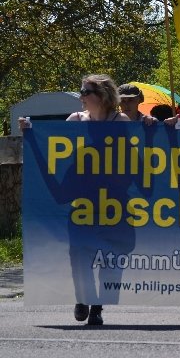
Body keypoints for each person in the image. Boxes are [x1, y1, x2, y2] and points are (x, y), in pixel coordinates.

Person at [20, 74, 132, 326]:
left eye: (85, 91)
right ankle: (83, 297)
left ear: (102, 96)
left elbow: (134, 156)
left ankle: (98, 307)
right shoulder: (75, 120)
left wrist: (150, 125)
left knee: (111, 257)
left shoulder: (120, 121)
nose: (80, 96)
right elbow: (55, 147)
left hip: (114, 201)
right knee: (80, 255)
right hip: (82, 200)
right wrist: (30, 133)